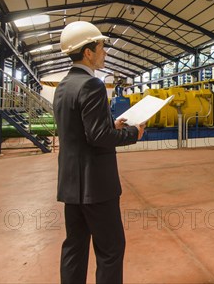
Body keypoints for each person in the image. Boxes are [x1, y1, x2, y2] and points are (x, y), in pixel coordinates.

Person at [53, 21, 145, 284]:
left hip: (71, 185)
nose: (105, 53)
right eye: (102, 47)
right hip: (96, 186)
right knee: (110, 250)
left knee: (75, 246)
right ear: (88, 52)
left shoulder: (64, 86)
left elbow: (77, 131)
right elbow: (98, 137)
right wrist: (131, 133)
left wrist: (110, 124)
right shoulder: (91, 85)